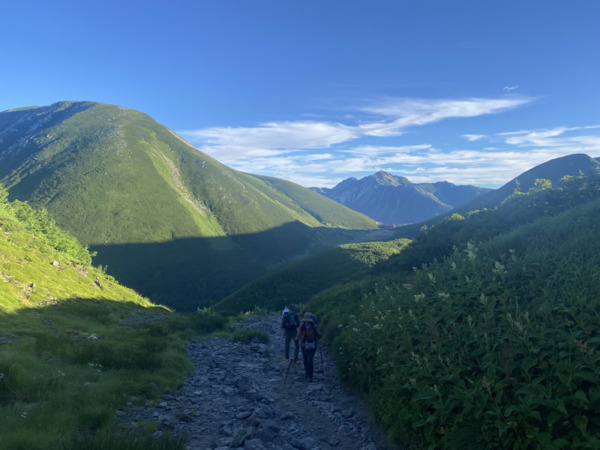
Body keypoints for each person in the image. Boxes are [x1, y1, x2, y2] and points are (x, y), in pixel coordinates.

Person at [296, 312, 321, 382]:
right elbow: (298, 334)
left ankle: (310, 376)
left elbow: (318, 333)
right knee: (305, 360)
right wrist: (296, 339)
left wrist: (319, 335)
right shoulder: (302, 326)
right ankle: (307, 373)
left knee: (310, 360)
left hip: (312, 345)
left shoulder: (314, 326)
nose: (307, 322)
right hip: (304, 345)